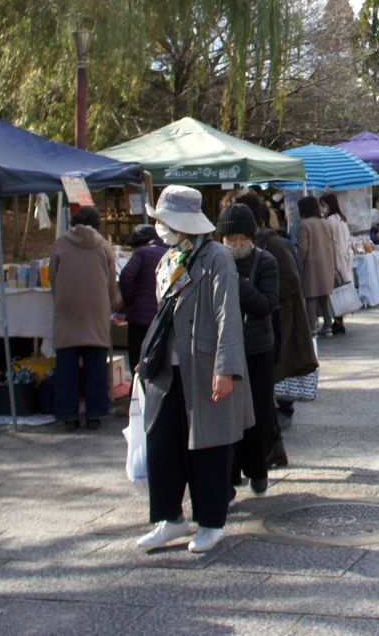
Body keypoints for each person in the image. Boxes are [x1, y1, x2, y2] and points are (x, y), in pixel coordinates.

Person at [137, 185, 253, 554]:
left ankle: (211, 521)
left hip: (203, 366)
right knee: (162, 444)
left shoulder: (215, 256)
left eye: (166, 221)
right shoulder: (168, 259)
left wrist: (226, 368)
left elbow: (227, 315)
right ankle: (168, 518)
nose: (161, 228)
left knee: (208, 447)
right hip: (166, 371)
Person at [235, 190, 315, 441]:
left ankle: (275, 428)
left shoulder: (272, 244)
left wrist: (263, 297)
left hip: (278, 319)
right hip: (267, 320)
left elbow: (291, 278)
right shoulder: (258, 245)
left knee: (274, 371)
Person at [215, 204, 280, 496]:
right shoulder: (214, 262)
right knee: (224, 415)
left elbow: (267, 304)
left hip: (256, 349)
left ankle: (258, 469)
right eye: (231, 239)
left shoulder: (265, 261)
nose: (237, 245)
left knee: (257, 413)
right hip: (221, 350)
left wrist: (237, 283)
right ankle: (228, 476)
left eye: (242, 238)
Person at [49, 206, 121, 430]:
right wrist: (109, 302)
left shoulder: (60, 243)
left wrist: (60, 296)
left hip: (67, 310)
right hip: (96, 311)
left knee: (67, 367)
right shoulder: (103, 246)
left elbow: (53, 277)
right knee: (96, 367)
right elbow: (111, 282)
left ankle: (69, 415)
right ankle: (94, 415)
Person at [120, 224, 167, 372]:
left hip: (139, 318)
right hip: (162, 318)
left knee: (137, 361)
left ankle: (137, 392)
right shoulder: (170, 253)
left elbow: (126, 276)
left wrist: (129, 300)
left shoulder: (142, 253)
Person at [297, 195, 337, 337]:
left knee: (311, 296)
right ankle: (328, 325)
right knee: (324, 296)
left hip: (311, 265)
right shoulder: (326, 223)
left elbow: (303, 247)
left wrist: (298, 262)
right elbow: (333, 244)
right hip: (327, 263)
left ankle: (312, 326)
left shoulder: (304, 225)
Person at [320, 193, 353, 335]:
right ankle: (339, 321)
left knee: (335, 291)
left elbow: (329, 242)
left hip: (335, 258)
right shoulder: (342, 219)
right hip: (344, 256)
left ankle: (337, 322)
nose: (322, 208)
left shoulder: (330, 221)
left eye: (323, 205)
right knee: (341, 290)